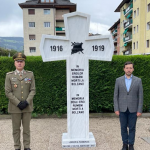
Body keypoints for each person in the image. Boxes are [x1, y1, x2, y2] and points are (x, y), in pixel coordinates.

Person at [5, 52, 36, 150]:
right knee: (16, 129)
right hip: (15, 107)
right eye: (17, 61)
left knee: (26, 129)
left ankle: (27, 147)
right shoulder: (9, 76)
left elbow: (33, 90)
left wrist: (27, 102)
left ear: (24, 63)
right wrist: (18, 103)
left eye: (21, 61)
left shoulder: (30, 74)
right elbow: (8, 92)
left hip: (27, 106)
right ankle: (17, 147)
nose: (19, 63)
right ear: (14, 63)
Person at [113, 61, 143, 150]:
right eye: (127, 68)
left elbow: (140, 96)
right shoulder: (118, 80)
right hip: (122, 109)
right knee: (123, 127)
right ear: (124, 69)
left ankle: (131, 145)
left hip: (134, 109)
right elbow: (115, 95)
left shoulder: (138, 80)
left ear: (133, 69)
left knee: (132, 128)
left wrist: (139, 109)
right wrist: (116, 108)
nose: (128, 69)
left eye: (130, 68)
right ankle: (125, 144)